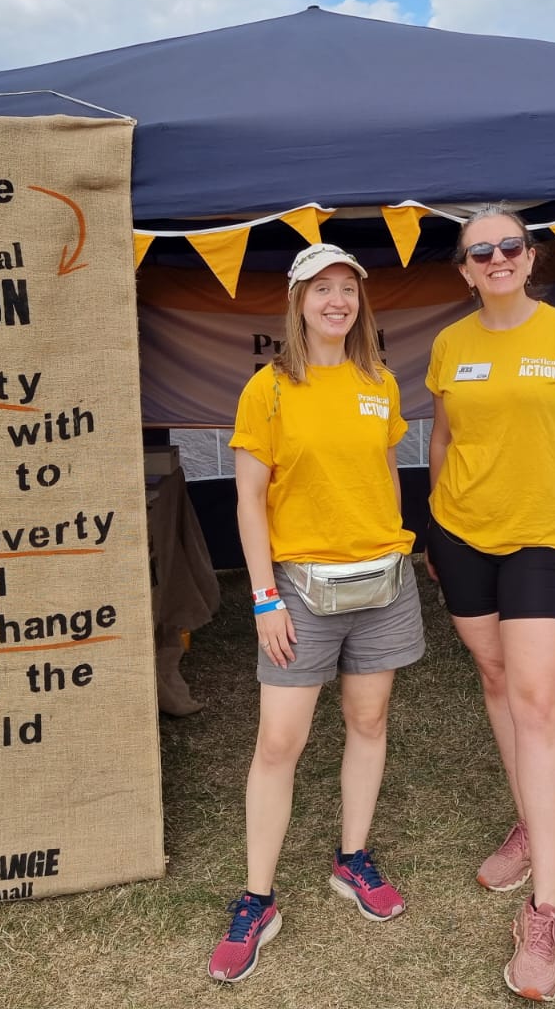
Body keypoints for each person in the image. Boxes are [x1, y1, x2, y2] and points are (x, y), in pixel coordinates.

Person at [207, 242, 425, 984]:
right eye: (322, 289)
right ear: (298, 302)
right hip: (300, 587)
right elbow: (246, 499)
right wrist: (265, 595)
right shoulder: (266, 389)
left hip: (382, 583)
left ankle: (352, 858)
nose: (337, 301)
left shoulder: (379, 381)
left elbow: (384, 472)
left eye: (348, 289)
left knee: (369, 722)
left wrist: (397, 543)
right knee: (279, 743)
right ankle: (257, 898)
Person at [425, 208, 555, 1002]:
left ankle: (546, 909)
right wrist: (438, 519)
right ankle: (531, 825)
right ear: (465, 269)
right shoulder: (449, 345)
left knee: (537, 700)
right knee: (498, 681)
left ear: (529, 257)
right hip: (462, 535)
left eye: (510, 246)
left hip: (543, 538)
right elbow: (440, 440)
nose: (497, 258)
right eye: (481, 251)